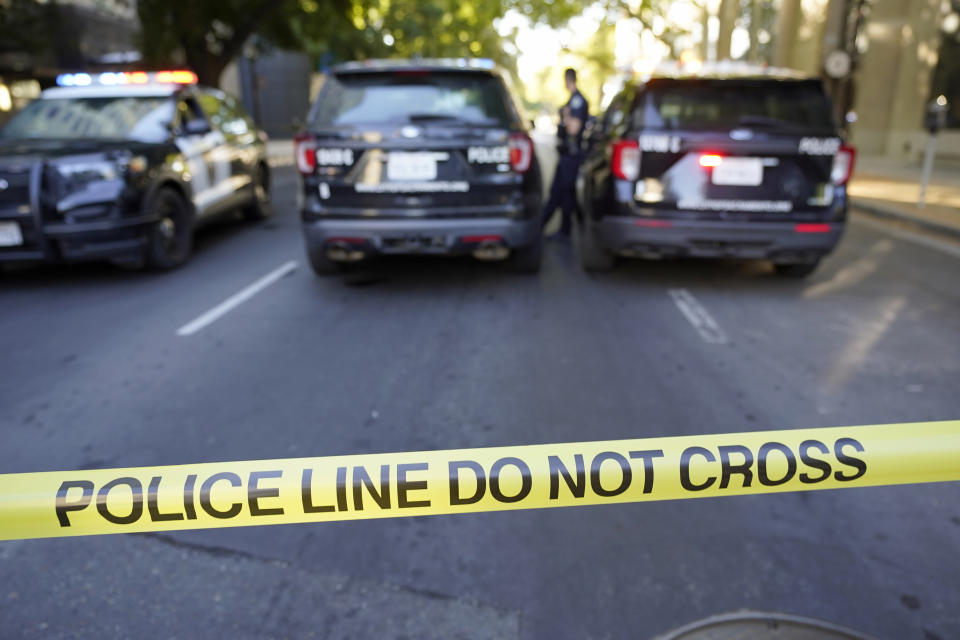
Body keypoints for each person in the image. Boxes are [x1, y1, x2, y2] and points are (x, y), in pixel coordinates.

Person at [542, 67, 589, 240]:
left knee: (561, 191)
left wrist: (566, 116)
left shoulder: (576, 101)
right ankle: (567, 228)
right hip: (567, 154)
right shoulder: (573, 99)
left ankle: (549, 227)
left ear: (567, 79)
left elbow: (573, 129)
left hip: (571, 154)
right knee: (566, 193)